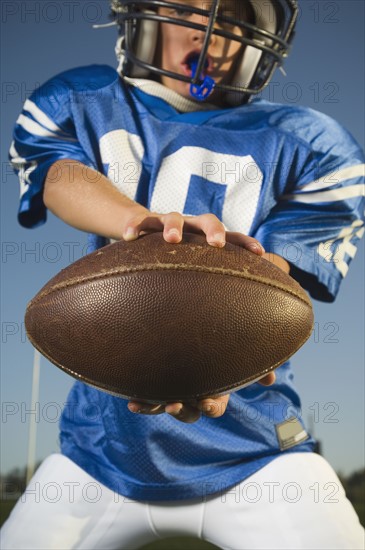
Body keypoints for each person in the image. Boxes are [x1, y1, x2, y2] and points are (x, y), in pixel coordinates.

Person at [2, 0, 364, 548]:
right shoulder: (83, 97)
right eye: (190, 10)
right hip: (98, 457)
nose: (213, 35)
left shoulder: (312, 141)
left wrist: (214, 341)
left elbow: (264, 286)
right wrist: (138, 222)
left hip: (259, 454)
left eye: (235, 17)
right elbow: (61, 174)